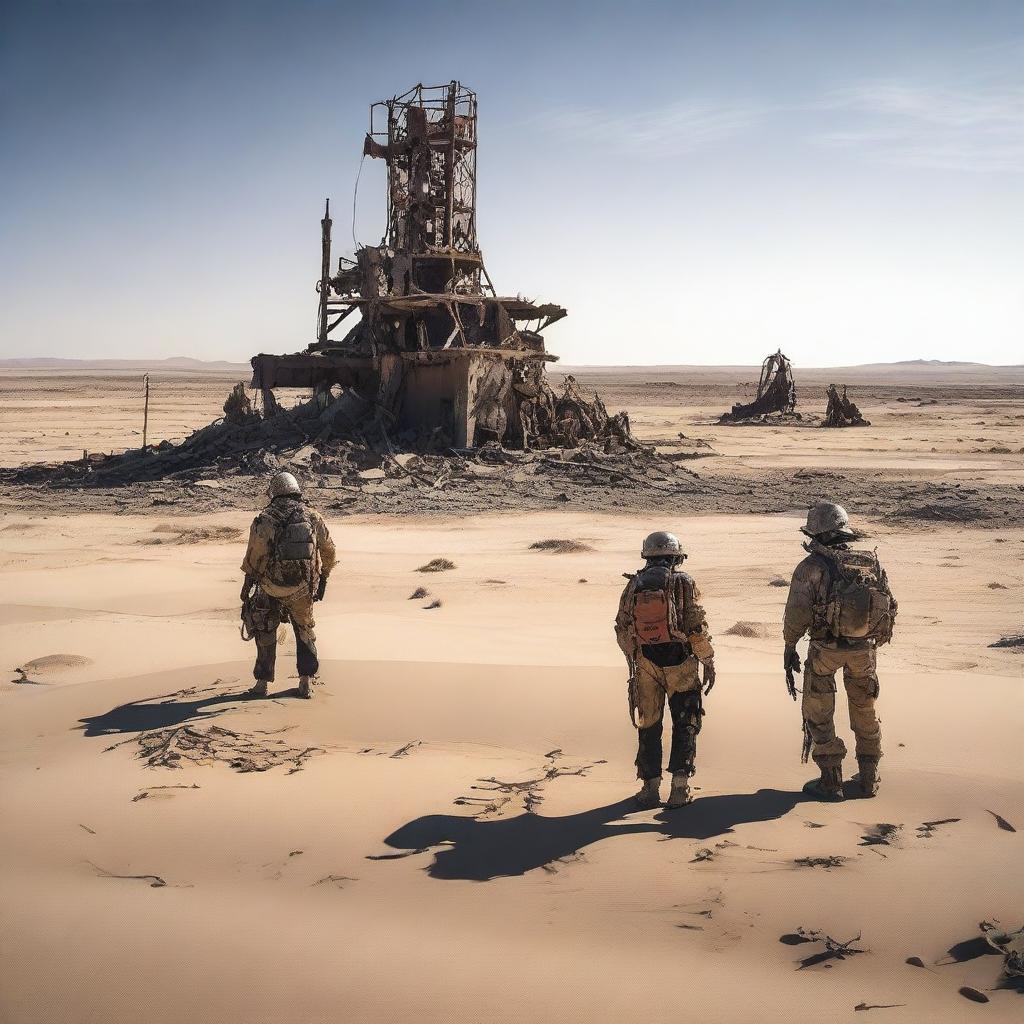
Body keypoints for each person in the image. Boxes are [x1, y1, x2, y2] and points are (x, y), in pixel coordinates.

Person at [783, 502, 897, 800]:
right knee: (865, 709)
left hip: (825, 649)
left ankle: (831, 780)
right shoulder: (869, 562)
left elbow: (797, 613)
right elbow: (888, 605)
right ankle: (869, 777)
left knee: (819, 710)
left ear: (815, 532)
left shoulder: (811, 567)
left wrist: (789, 646)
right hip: (864, 651)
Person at [615, 531, 716, 809]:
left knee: (649, 725)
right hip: (681, 665)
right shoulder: (683, 582)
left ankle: (649, 790)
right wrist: (707, 659)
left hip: (646, 665)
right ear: (675, 555)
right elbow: (696, 627)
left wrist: (636, 656)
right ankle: (679, 790)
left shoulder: (634, 584)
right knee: (686, 722)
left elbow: (622, 628)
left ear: (647, 555)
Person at [240, 471, 336, 699]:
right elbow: (329, 551)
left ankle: (262, 684)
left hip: (270, 586)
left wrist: (246, 586)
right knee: (304, 630)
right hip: (302, 588)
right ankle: (305, 683)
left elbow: (255, 557)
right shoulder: (313, 517)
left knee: (265, 631)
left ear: (274, 491)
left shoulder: (265, 518)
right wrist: (323, 577)